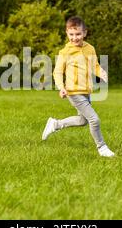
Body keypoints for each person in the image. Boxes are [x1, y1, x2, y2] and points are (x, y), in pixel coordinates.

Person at [42, 17, 115, 157]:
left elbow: (95, 66)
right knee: (94, 119)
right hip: (73, 92)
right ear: (67, 33)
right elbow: (57, 72)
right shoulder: (65, 52)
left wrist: (102, 73)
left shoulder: (90, 49)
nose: (75, 38)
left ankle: (55, 124)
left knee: (83, 121)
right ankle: (102, 148)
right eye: (71, 34)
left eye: (78, 34)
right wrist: (61, 87)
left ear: (85, 33)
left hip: (86, 91)